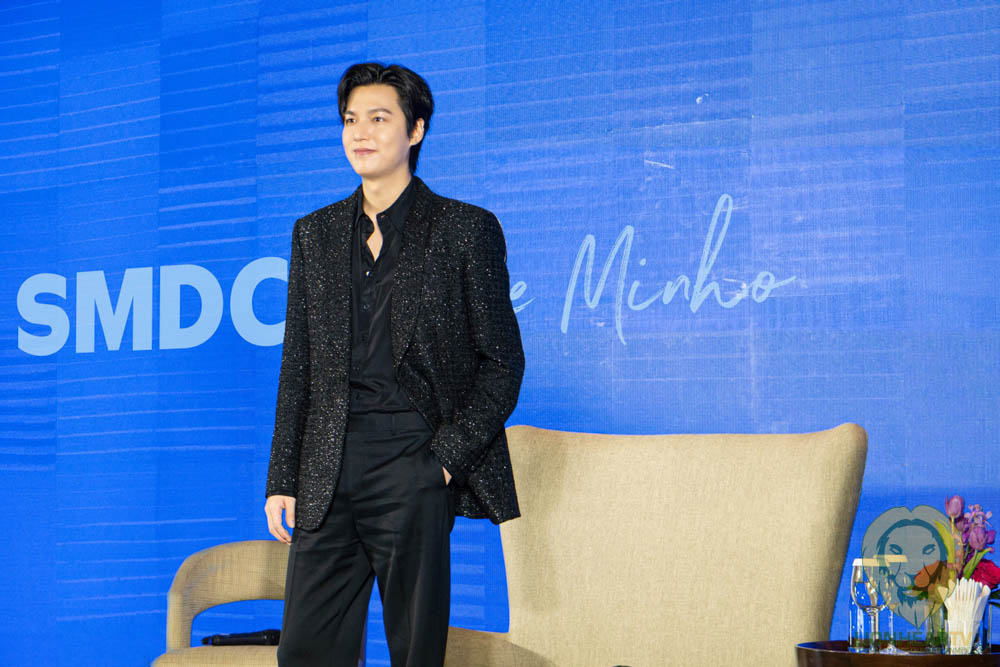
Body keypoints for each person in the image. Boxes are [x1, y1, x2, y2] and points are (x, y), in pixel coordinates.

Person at [264, 62, 524, 667]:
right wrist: (283, 477)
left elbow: (502, 363)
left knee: (414, 652)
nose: (361, 132)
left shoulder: (465, 229)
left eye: (379, 118)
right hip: (328, 464)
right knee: (304, 652)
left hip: (414, 460)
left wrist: (443, 462)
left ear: (416, 130)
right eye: (350, 119)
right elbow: (298, 366)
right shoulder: (314, 234)